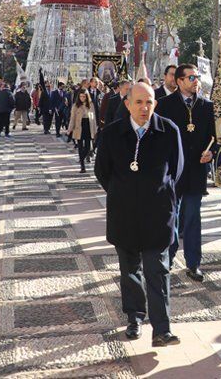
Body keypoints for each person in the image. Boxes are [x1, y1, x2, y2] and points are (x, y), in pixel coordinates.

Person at [94, 82, 184, 347]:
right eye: (139, 102)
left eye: (150, 102)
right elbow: (103, 172)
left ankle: (162, 329)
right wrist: (123, 192)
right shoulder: (112, 134)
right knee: (130, 270)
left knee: (158, 271)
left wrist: (158, 193)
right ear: (127, 104)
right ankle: (134, 317)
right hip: (124, 214)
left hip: (157, 214)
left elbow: (176, 171)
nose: (145, 108)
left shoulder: (168, 130)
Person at [159, 63, 215, 282]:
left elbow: (213, 138)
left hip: (196, 171)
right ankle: (168, 257)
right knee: (171, 217)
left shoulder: (206, 106)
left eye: (197, 77)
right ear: (179, 81)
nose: (196, 81)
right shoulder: (164, 105)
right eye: (191, 77)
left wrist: (211, 154)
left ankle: (194, 263)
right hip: (173, 172)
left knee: (193, 218)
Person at [69, 91, 98, 173]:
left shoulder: (90, 105)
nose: (82, 98)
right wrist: (70, 129)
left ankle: (81, 159)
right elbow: (72, 118)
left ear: (87, 97)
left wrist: (95, 129)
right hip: (79, 127)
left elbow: (93, 118)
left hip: (88, 126)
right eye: (81, 96)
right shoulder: (75, 105)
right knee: (80, 146)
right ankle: (82, 166)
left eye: (84, 96)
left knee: (88, 147)